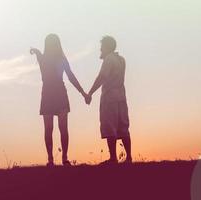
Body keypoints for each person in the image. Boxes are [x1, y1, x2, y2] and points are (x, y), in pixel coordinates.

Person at [30, 34, 88, 167]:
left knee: (55, 128)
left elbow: (70, 76)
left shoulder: (54, 58)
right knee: (56, 128)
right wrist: (83, 93)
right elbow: (71, 76)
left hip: (54, 93)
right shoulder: (50, 58)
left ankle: (58, 158)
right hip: (54, 93)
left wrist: (82, 92)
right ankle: (57, 158)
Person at [85, 36, 132, 164]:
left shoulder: (108, 59)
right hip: (121, 98)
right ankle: (129, 158)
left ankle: (113, 158)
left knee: (110, 127)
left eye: (102, 46)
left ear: (107, 47)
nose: (100, 49)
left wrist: (90, 93)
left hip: (110, 98)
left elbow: (102, 77)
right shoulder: (121, 60)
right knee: (123, 127)